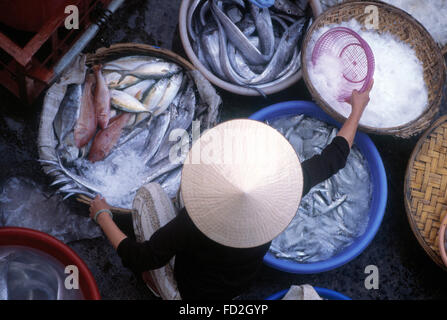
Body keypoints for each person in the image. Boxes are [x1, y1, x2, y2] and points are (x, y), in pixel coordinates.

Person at [89, 81, 374, 300]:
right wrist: (357, 109)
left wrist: (102, 215)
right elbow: (333, 158)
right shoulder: (284, 188)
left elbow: (142, 257)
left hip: (193, 295)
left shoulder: (192, 225)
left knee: (149, 194)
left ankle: (161, 288)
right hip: (237, 288)